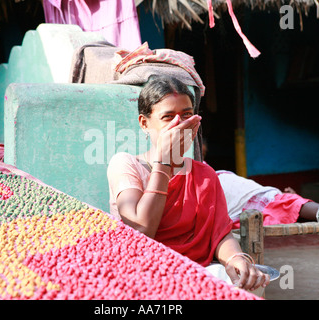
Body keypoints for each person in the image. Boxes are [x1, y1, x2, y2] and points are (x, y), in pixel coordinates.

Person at [107, 76, 269, 292]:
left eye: (186, 115)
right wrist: (164, 161)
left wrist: (236, 259)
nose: (179, 125)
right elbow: (141, 229)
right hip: (144, 276)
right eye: (168, 117)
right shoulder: (126, 164)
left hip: (196, 272)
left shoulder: (204, 174)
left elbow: (220, 234)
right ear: (144, 123)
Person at [202, 140, 319, 228]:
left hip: (233, 188)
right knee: (281, 201)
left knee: (281, 200)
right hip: (225, 195)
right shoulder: (190, 167)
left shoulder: (203, 166)